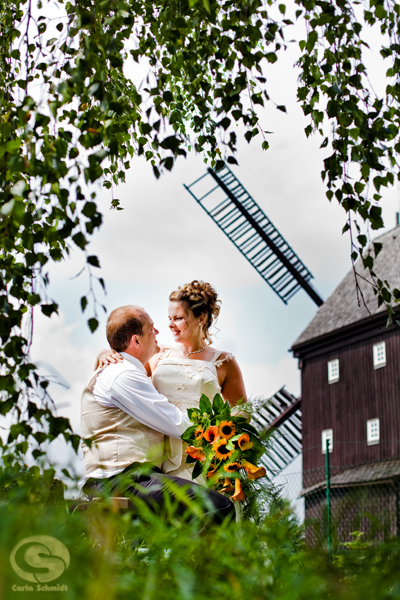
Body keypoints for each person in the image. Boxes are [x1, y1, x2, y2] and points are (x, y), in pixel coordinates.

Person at [81, 304, 235, 524]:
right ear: (136, 341)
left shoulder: (130, 370)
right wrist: (217, 431)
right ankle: (199, 559)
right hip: (121, 480)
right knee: (219, 507)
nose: (158, 333)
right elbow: (178, 424)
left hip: (134, 477)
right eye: (152, 328)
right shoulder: (123, 375)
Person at [98, 281, 247, 486]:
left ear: (201, 319)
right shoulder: (158, 355)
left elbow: (240, 417)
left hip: (204, 459)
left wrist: (222, 453)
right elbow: (123, 380)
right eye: (169, 318)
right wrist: (107, 352)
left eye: (178, 318)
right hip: (158, 461)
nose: (169, 324)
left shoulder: (224, 363)